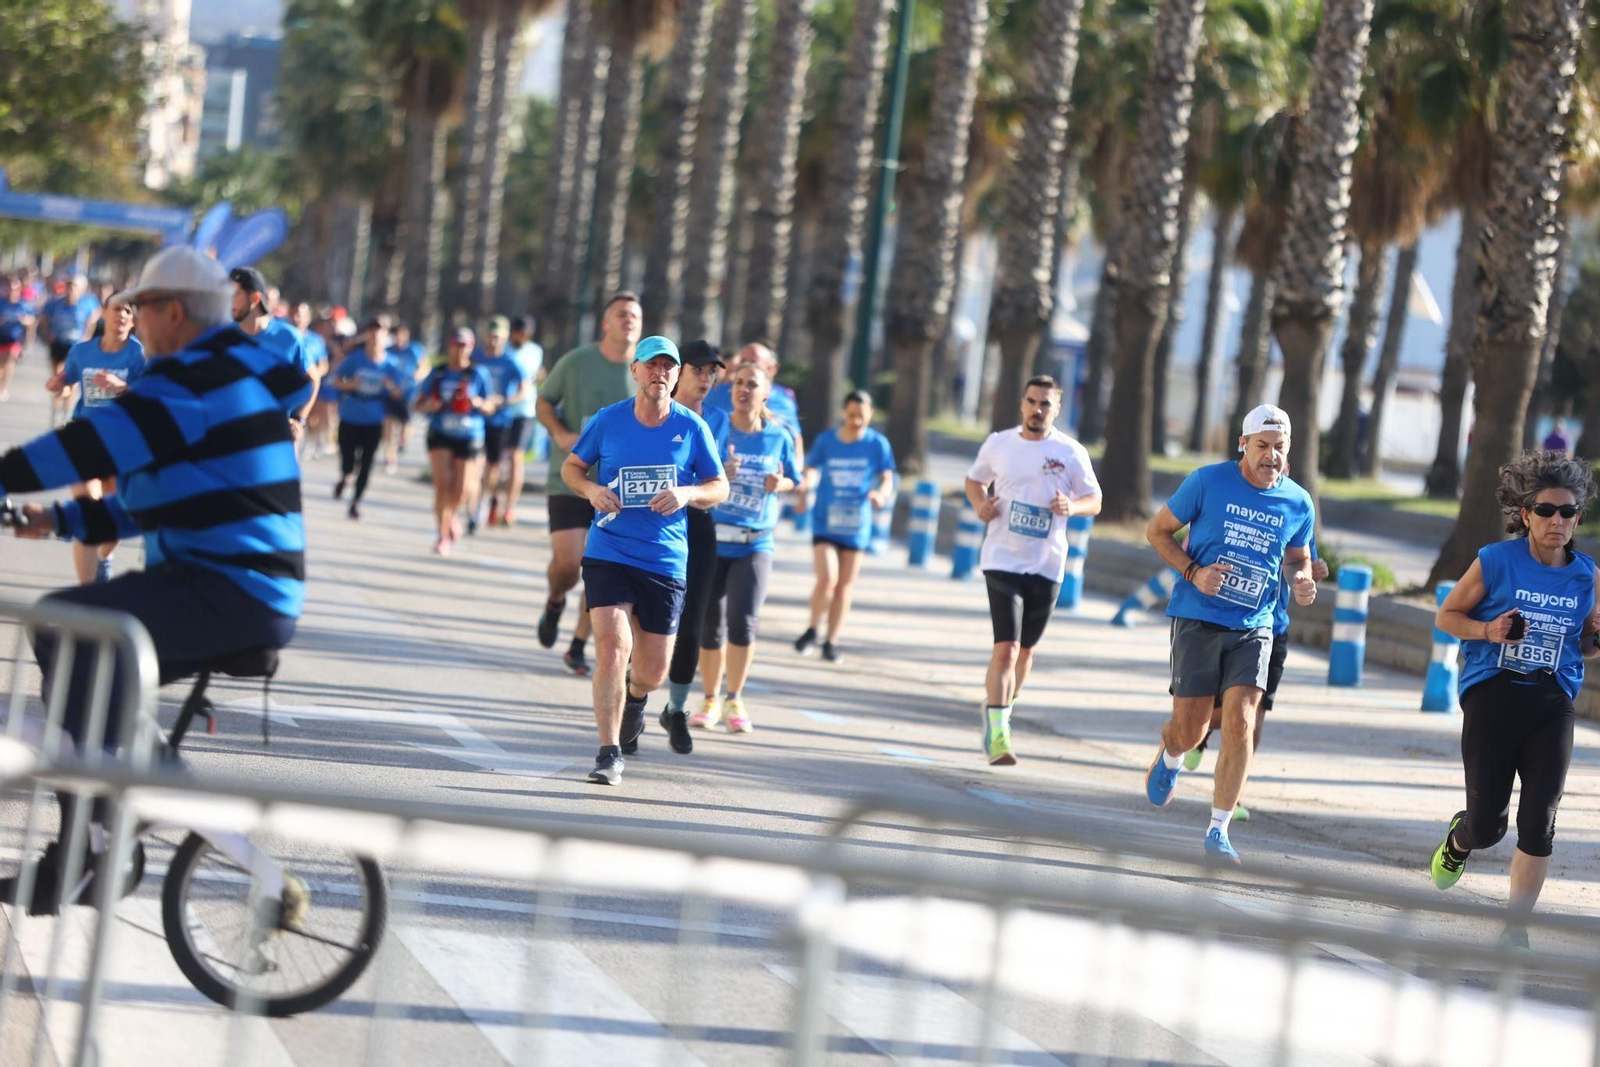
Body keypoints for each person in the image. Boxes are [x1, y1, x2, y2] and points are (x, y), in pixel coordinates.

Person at [0, 245, 311, 915]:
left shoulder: (194, 383)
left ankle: (105, 828)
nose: (132, 322)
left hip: (234, 588)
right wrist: (47, 522)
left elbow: (83, 448)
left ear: (174, 311)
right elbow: (150, 504)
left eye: (139, 309)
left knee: (67, 625)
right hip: (227, 582)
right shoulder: (213, 378)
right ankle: (106, 822)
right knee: (82, 651)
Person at [1428, 450, 1599, 949]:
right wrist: (1488, 628)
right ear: (1525, 514)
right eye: (1545, 511)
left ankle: (1516, 929)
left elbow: (1584, 646)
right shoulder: (1496, 560)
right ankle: (1461, 838)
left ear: (1578, 519)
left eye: (1567, 512)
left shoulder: (1587, 575)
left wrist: (1597, 638)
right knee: (1487, 828)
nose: (1557, 521)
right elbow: (1446, 616)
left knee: (1540, 819)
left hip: (1552, 699)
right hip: (1493, 695)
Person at [1141, 405, 1317, 865]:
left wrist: (1300, 580)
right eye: (1262, 446)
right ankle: (1171, 755)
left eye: (1279, 448)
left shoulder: (1298, 502)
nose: (1270, 457)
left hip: (1254, 625)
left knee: (1241, 720)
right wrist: (1194, 572)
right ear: (1243, 445)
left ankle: (1218, 830)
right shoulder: (1206, 481)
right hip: (1198, 617)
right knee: (1192, 726)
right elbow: (1157, 532)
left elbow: (1298, 557)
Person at [561, 335, 727, 785]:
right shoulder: (608, 421)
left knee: (652, 672)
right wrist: (593, 490)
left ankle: (636, 698)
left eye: (668, 368)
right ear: (634, 370)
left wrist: (688, 493)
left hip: (664, 560)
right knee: (613, 649)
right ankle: (609, 751)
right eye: (651, 366)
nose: (660, 374)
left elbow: (719, 486)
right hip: (609, 550)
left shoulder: (692, 428)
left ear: (677, 377)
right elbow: (571, 468)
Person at [964, 376, 1102, 765]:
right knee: (1005, 649)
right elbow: (975, 480)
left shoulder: (1071, 452)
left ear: (1057, 409)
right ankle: (998, 732)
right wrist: (980, 505)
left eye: (1045, 404)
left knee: (1025, 653)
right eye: (1031, 401)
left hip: (1047, 563)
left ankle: (1002, 709)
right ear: (1021, 404)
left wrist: (1072, 508)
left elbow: (1095, 499)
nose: (1037, 409)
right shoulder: (999, 444)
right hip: (1002, 559)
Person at [1183, 532, 1331, 820]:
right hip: (1229, 625)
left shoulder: (1295, 508)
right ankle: (1192, 734)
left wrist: (1313, 575)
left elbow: (1301, 566)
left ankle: (1231, 795)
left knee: (1254, 715)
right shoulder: (1239, 504)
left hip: (1273, 630)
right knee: (1220, 711)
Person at [535, 291, 641, 675]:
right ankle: (554, 599)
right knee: (568, 562)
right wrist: (561, 434)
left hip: (619, 491)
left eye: (635, 315)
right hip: (571, 479)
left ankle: (577, 645)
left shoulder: (645, 371)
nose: (628, 320)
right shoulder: (578, 361)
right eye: (621, 314)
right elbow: (544, 402)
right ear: (606, 323)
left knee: (599, 570)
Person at [693, 363, 801, 735]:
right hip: (714, 539)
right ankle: (709, 698)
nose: (743, 390)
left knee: (744, 621)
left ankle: (734, 698)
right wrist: (722, 473)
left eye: (752, 385)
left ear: (766, 393)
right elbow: (694, 471)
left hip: (754, 542)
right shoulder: (717, 427)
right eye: (738, 383)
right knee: (712, 624)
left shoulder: (778, 436)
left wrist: (779, 483)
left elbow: (795, 480)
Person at [45, 296, 146, 583]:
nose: (123, 315)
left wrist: (123, 387)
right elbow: (68, 379)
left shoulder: (141, 356)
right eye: (117, 309)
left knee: (113, 517)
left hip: (123, 444)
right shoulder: (82, 351)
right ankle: (87, 593)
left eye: (129, 310)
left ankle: (105, 557)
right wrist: (59, 386)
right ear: (104, 313)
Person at [659, 340, 728, 747]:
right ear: (678, 371)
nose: (705, 379)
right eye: (698, 370)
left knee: (693, 620)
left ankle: (677, 709)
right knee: (648, 615)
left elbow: (720, 480)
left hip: (698, 522)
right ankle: (633, 704)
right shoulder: (655, 410)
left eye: (712, 373)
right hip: (652, 523)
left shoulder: (718, 420)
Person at [793, 390, 895, 663]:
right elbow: (812, 468)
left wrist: (881, 494)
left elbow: (886, 477)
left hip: (856, 524)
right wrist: (808, 484)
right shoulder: (827, 441)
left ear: (870, 415)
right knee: (827, 579)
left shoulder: (877, 444)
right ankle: (813, 629)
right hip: (825, 520)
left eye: (861, 416)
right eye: (851, 415)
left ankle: (831, 641)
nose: (856, 421)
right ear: (843, 413)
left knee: (844, 586)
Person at [417, 328, 496, 555]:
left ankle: (451, 514)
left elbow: (491, 406)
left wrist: (478, 402)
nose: (460, 350)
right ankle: (442, 536)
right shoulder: (439, 372)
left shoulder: (478, 374)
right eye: (456, 345)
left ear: (471, 348)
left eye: (465, 346)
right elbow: (418, 403)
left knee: (462, 490)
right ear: (450, 346)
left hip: (469, 435)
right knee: (442, 484)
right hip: (440, 432)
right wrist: (429, 406)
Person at [331, 317, 404, 520]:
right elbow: (336, 380)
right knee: (347, 458)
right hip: (350, 415)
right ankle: (345, 477)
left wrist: (390, 386)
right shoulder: (355, 359)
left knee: (367, 463)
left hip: (373, 419)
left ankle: (356, 501)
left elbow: (398, 394)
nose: (375, 335)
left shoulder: (391, 364)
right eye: (372, 331)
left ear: (385, 336)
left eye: (380, 331)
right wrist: (350, 385)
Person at [231, 267, 316, 437]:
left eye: (235, 294)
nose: (228, 301)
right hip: (232, 433)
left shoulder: (288, 337)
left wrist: (300, 420)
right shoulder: (224, 335)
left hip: (273, 435)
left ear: (255, 298)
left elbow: (313, 378)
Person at [473, 316, 530, 530]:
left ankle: (485, 500)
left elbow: (524, 390)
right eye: (491, 336)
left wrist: (504, 401)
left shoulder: (510, 361)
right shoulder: (476, 357)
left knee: (492, 465)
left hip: (498, 420)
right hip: (474, 418)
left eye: (498, 337)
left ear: (505, 338)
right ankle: (475, 501)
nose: (494, 341)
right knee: (474, 463)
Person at [704, 342, 803, 452]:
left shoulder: (784, 401)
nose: (746, 366)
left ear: (772, 369)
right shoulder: (717, 394)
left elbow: (796, 438)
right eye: (743, 361)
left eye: (753, 362)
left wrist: (797, 467)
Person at [499, 315, 545, 525]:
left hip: (524, 410)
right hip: (501, 410)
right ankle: (492, 499)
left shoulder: (535, 351)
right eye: (519, 333)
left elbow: (538, 373)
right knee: (496, 461)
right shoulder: (504, 350)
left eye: (526, 334)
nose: (522, 337)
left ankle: (510, 507)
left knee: (516, 458)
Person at [39, 275, 102, 425]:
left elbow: (94, 317)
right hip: (59, 345)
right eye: (68, 286)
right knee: (58, 379)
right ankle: (56, 410)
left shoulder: (86, 304)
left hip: (75, 347)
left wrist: (86, 337)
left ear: (80, 290)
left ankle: (67, 413)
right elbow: (42, 318)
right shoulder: (56, 304)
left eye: (74, 287)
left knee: (72, 381)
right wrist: (48, 334)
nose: (70, 290)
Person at [383, 323, 430, 472]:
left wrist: (417, 377)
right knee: (389, 424)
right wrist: (391, 386)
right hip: (391, 392)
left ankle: (402, 443)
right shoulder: (388, 351)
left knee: (406, 423)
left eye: (400, 335)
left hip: (409, 392)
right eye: (395, 335)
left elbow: (424, 366)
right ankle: (390, 457)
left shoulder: (414, 349)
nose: (397, 339)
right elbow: (382, 370)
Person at [0, 274, 37, 401]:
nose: (11, 290)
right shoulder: (1, 302)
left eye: (14, 288)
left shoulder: (23, 305)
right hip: (1, 336)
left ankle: (4, 388)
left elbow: (32, 321)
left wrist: (26, 321)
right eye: (9, 287)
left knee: (9, 360)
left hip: (14, 337)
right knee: (1, 365)